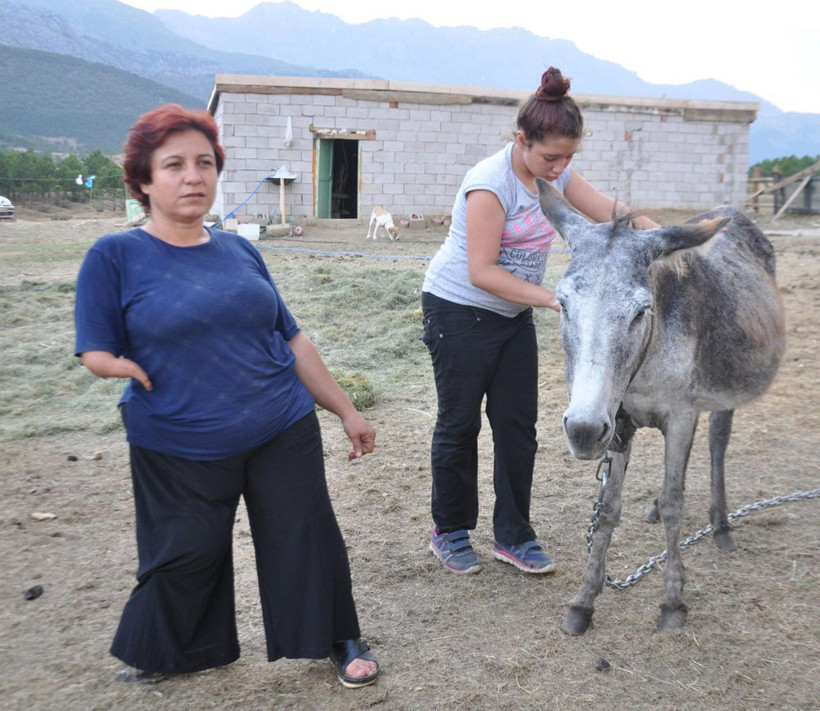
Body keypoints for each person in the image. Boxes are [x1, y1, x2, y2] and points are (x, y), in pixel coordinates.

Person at [74, 104, 379, 689]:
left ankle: (339, 636)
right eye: (174, 165)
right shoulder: (114, 256)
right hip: (177, 437)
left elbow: (291, 338)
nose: (193, 176)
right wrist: (114, 365)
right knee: (184, 550)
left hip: (279, 424)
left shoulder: (240, 251)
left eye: (205, 163)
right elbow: (94, 346)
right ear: (143, 180)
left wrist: (346, 409)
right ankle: (170, 648)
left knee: (306, 534)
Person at [421, 67, 659, 575]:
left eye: (568, 157)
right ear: (521, 140)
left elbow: (612, 213)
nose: (560, 167)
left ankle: (514, 535)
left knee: (517, 425)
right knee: (460, 424)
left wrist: (660, 237)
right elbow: (482, 272)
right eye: (551, 157)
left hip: (512, 314)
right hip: (458, 312)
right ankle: (450, 530)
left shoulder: (558, 175)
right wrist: (557, 300)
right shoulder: (490, 185)